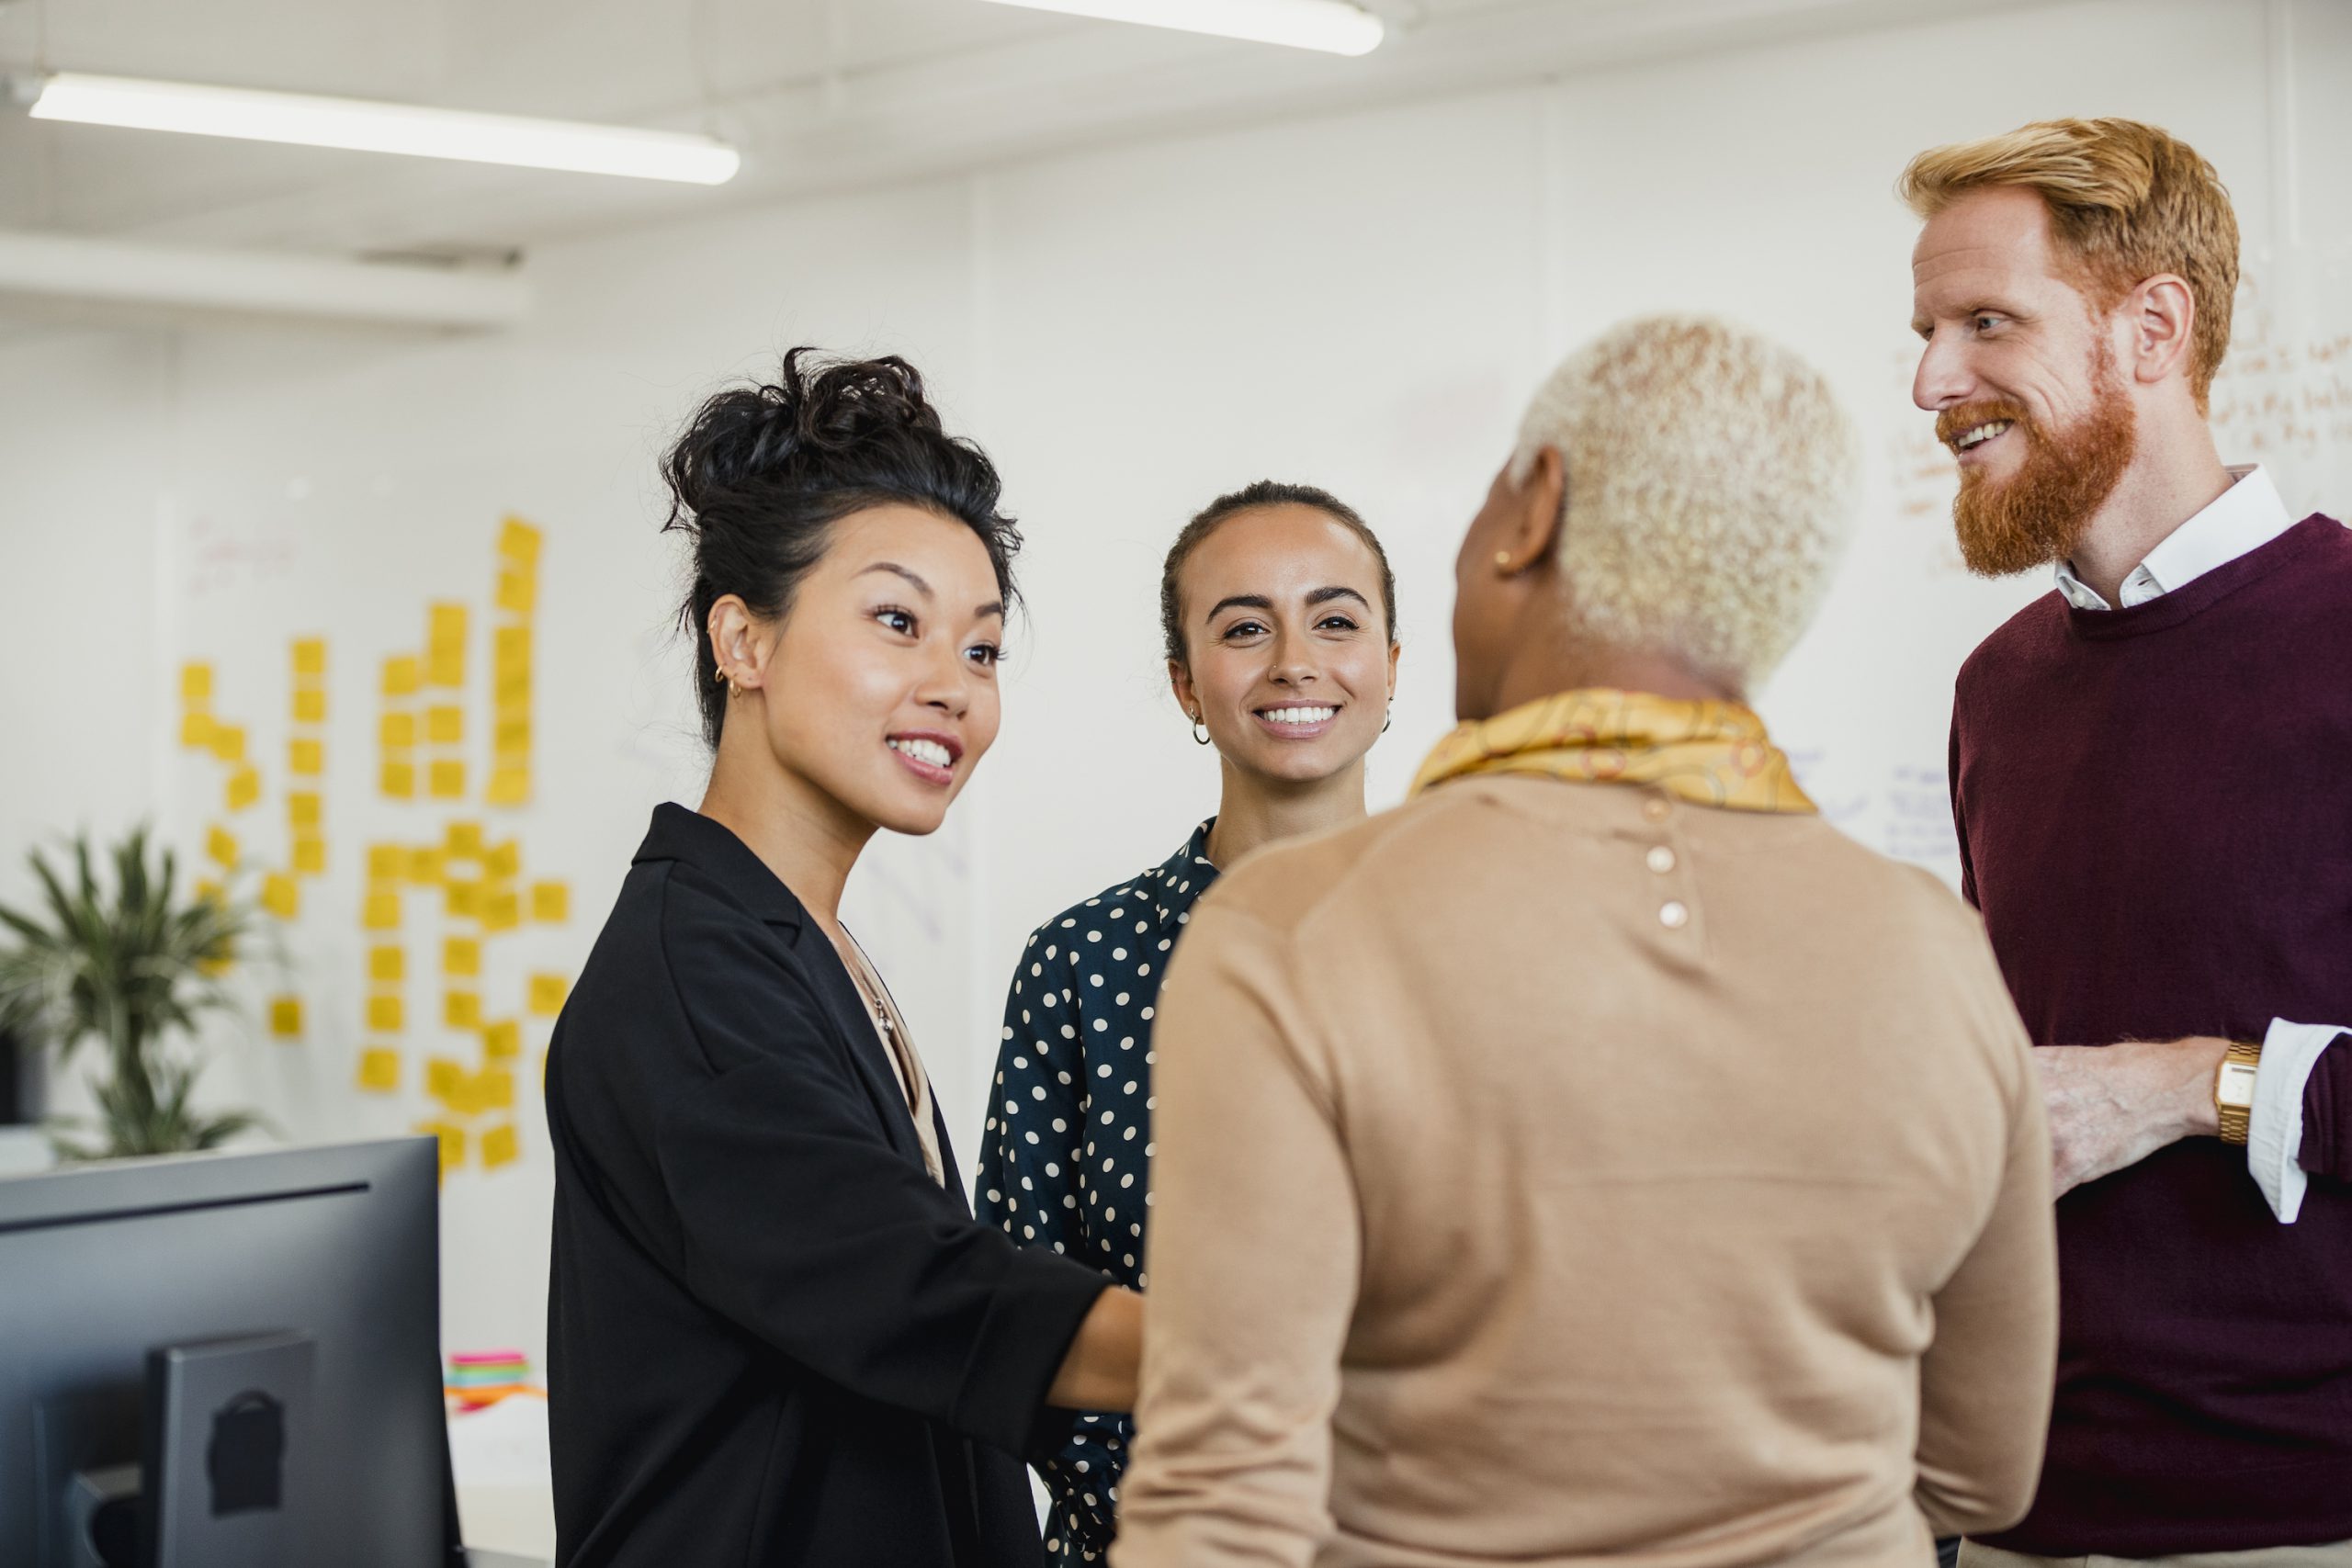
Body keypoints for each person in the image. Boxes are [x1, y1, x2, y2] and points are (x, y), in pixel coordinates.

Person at [1112, 315, 2059, 1567]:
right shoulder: (1934, 949)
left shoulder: (1291, 930)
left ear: (1532, 506)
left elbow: (1220, 1509)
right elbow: (1981, 1467)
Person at [545, 349, 1142, 1568]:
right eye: (896, 621)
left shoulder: (792, 937)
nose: (952, 687)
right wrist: (1325, 1352)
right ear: (744, 640)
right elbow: (919, 1291)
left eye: (980, 649)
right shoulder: (691, 983)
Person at [1905, 118, 2352, 1567]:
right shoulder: (1998, 689)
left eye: (1987, 322)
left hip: (2298, 1516)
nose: (1931, 383)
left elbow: (2118, 1095)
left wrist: (2190, 1086)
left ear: (2152, 326)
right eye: (1924, 331)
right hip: (2016, 1510)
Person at [978, 479, 1399, 1565]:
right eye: (1245, 627)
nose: (1295, 661)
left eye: (1337, 620)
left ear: (1391, 668)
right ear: (1185, 684)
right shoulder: (1081, 966)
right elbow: (1016, 1312)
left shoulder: (1492, 941)